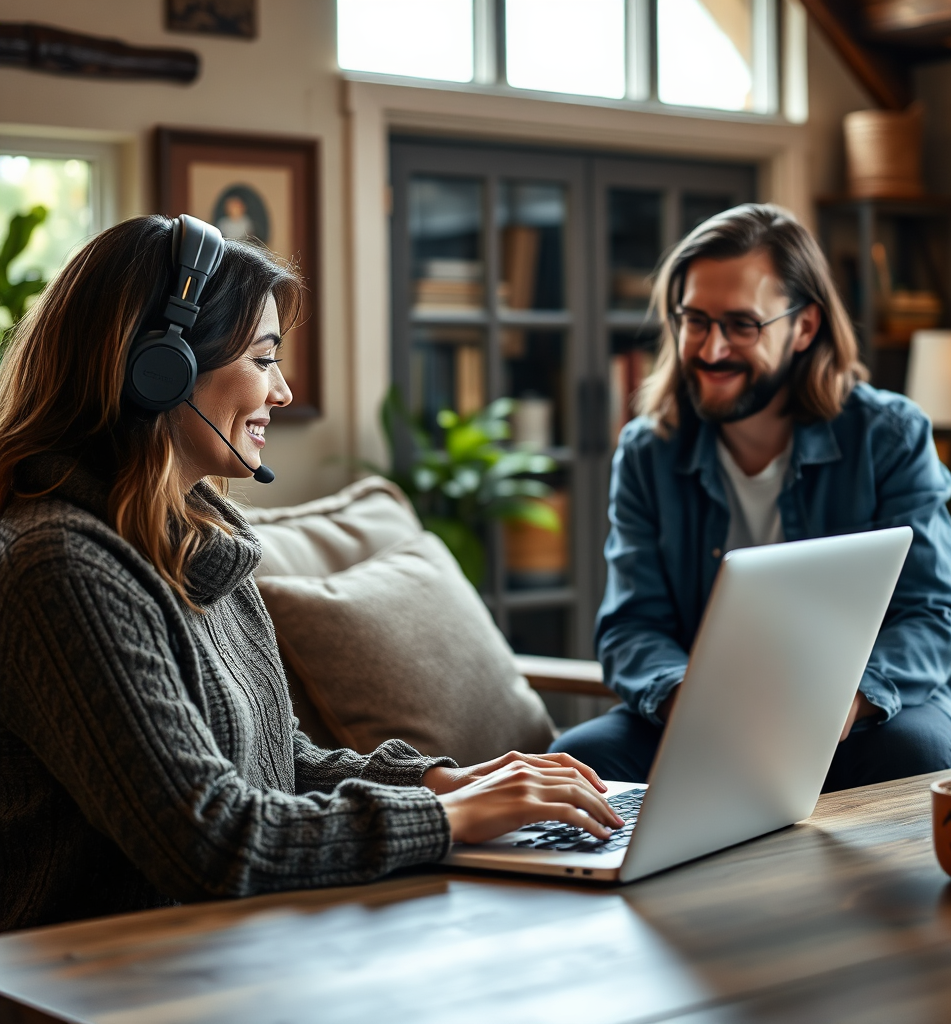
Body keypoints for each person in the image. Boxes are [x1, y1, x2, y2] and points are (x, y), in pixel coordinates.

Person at [0, 215, 622, 933]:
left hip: (215, 945)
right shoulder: (59, 565)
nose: (283, 391)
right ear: (160, 370)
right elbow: (211, 839)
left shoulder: (200, 542)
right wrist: (448, 817)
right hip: (92, 970)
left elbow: (275, 759)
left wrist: (441, 780)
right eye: (264, 359)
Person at [551, 203, 951, 789]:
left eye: (741, 325)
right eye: (695, 320)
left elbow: (930, 613)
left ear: (805, 327)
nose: (711, 348)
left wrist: (846, 702)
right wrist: (692, 703)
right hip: (703, 712)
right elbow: (631, 626)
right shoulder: (649, 450)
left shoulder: (889, 435)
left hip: (863, 712)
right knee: (578, 762)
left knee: (914, 753)